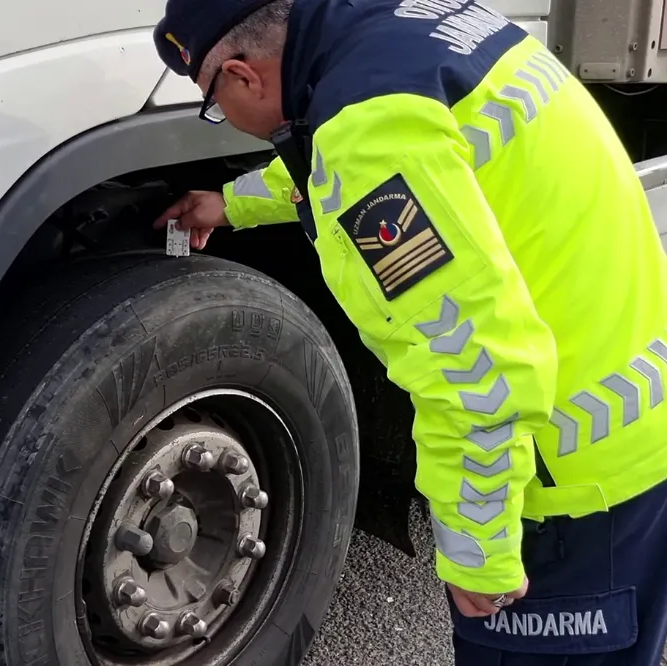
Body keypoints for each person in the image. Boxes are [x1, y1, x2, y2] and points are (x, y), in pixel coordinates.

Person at [151, 0, 667, 664]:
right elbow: (384, 158)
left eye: (215, 103)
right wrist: (234, 204)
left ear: (245, 76)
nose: (229, 120)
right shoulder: (419, 33)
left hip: (572, 491)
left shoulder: (370, 131)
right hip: (632, 414)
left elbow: (474, 363)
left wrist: (478, 549)